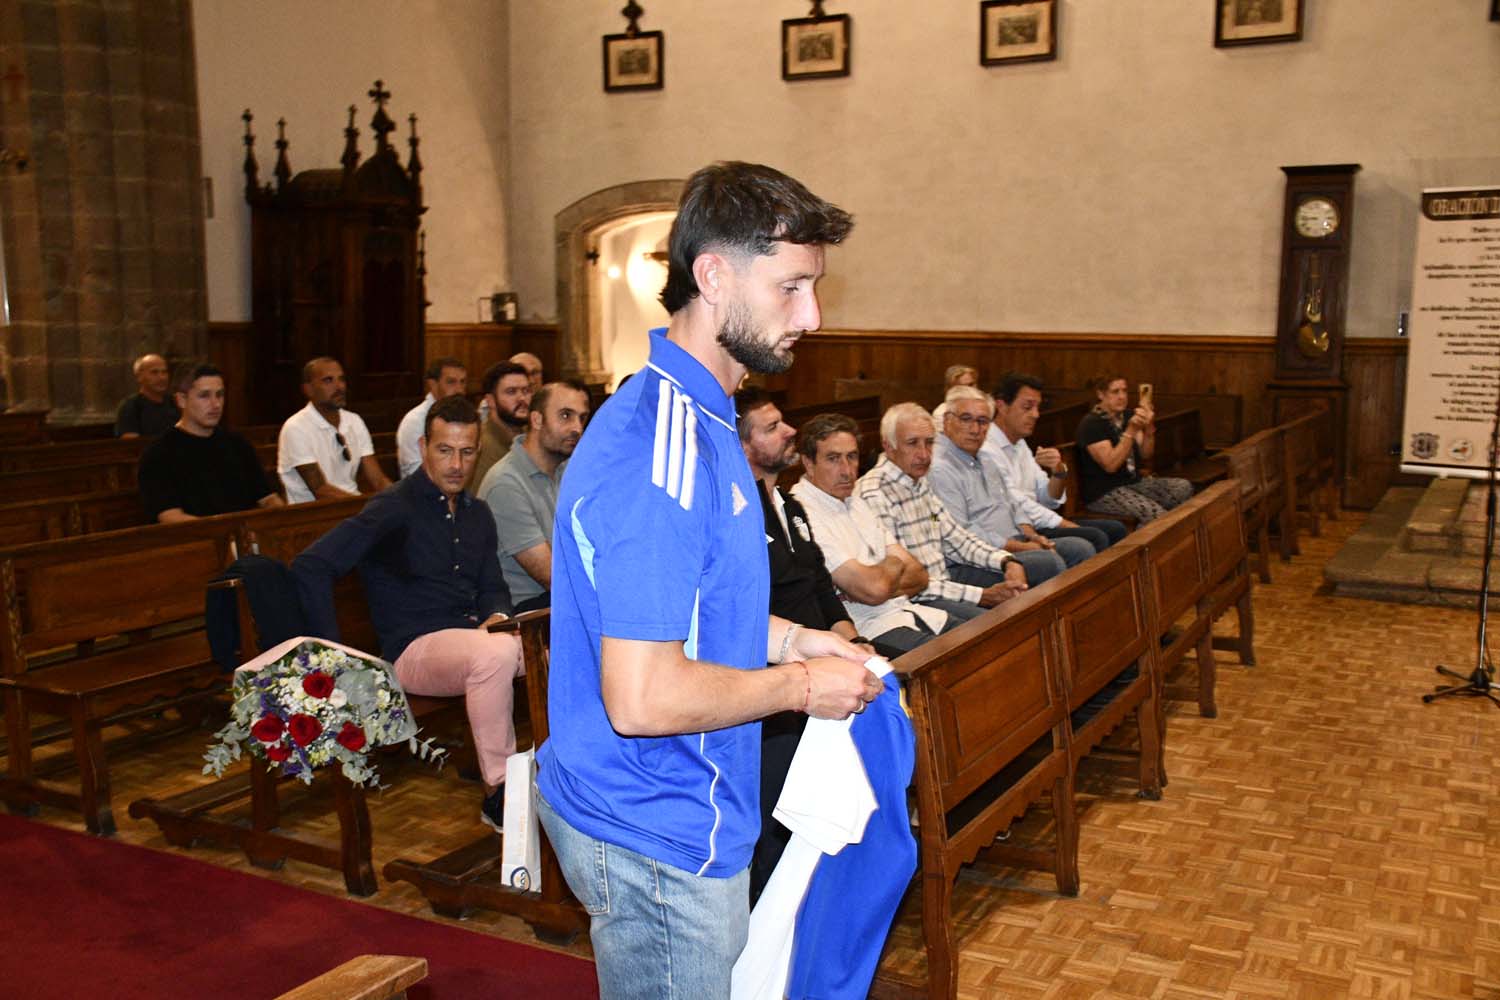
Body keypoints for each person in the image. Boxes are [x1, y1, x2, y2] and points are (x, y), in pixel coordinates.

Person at [536, 161, 878, 1000]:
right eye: (792, 288)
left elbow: (690, 612)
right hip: (654, 824)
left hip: (692, 804)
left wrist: (794, 637)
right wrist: (801, 686)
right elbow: (643, 698)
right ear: (715, 274)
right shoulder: (663, 450)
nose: (813, 316)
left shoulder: (708, 417)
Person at [291, 395, 522, 832]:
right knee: (495, 656)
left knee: (552, 645)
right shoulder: (394, 506)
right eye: (444, 450)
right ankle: (500, 792)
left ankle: (564, 784)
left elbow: (493, 586)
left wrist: (496, 613)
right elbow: (313, 564)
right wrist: (334, 658)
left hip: (472, 641)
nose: (456, 464)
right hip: (414, 651)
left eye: (467, 452)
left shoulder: (478, 514)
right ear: (422, 447)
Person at [735, 388, 871, 903]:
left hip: (823, 656)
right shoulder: (741, 515)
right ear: (743, 444)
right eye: (771, 428)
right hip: (778, 676)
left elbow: (818, 586)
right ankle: (771, 908)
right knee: (776, 808)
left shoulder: (787, 504)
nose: (789, 431)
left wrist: (851, 640)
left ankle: (826, 888)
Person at [790, 412, 959, 657]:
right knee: (954, 661)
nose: (847, 470)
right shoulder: (801, 511)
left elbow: (919, 575)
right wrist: (891, 567)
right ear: (808, 462)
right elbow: (872, 589)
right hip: (870, 631)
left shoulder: (855, 499)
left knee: (985, 635)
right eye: (833, 459)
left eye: (852, 457)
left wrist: (878, 579)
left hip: (910, 612)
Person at [857, 402, 1027, 623]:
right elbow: (905, 581)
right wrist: (981, 596)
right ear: (889, 446)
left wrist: (1006, 561)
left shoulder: (918, 482)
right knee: (993, 623)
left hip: (943, 581)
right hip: (914, 600)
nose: (924, 454)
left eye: (929, 443)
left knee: (1034, 572)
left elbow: (955, 538)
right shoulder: (876, 494)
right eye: (912, 443)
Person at [928, 386, 1094, 585]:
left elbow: (1012, 504)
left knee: (1080, 548)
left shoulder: (986, 458)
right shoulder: (939, 468)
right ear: (947, 420)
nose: (975, 429)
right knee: (1048, 562)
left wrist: (1033, 536)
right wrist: (1022, 547)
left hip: (1014, 541)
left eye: (982, 421)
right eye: (966, 419)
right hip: (975, 558)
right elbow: (962, 533)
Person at [476, 379, 590, 614]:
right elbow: (551, 576)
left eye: (582, 417)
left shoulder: (568, 469)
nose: (577, 428)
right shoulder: (505, 483)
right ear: (537, 419)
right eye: (566, 416)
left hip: (563, 602)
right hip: (527, 614)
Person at [986, 372, 1127, 551]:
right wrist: (1067, 525)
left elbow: (1049, 499)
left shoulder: (1020, 443)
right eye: (1027, 407)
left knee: (1115, 529)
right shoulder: (987, 448)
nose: (1036, 415)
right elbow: (1018, 504)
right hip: (1016, 528)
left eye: (1038, 407)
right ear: (1002, 406)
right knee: (1093, 539)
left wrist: (1059, 473)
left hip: (1037, 520)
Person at [137, 362, 283, 523]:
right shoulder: (158, 454)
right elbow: (170, 517)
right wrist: (227, 534)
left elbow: (267, 497)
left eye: (220, 395)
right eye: (204, 396)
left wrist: (279, 517)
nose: (216, 404)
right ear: (181, 400)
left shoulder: (237, 443)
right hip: (198, 542)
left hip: (247, 538)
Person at [1075, 374, 1192, 523]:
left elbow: (1146, 454)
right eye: (1115, 392)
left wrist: (1149, 426)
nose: (1122, 396)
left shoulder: (1127, 416)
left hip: (1132, 482)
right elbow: (1111, 465)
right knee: (1155, 514)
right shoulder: (1092, 424)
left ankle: (1174, 529)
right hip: (1105, 491)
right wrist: (1130, 430)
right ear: (1100, 394)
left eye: (1124, 391)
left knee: (1183, 487)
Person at [277, 357, 392, 504]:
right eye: (328, 380)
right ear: (308, 389)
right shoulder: (296, 427)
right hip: (313, 516)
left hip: (352, 507)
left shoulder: (354, 421)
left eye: (342, 379)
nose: (339, 387)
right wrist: (364, 508)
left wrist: (398, 499)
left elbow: (378, 479)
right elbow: (320, 490)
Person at [395, 357, 467, 478]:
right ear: (433, 385)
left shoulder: (466, 417)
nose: (459, 389)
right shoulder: (414, 421)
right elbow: (416, 474)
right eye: (451, 382)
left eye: (463, 382)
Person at [472, 360, 533, 487]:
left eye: (526, 391)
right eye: (511, 392)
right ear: (491, 401)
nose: (522, 398)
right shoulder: (480, 446)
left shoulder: (533, 437)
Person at [114, 353, 178, 438]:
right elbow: (131, 445)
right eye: (154, 372)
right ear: (139, 377)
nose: (161, 377)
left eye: (164, 372)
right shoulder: (131, 407)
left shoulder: (175, 402)